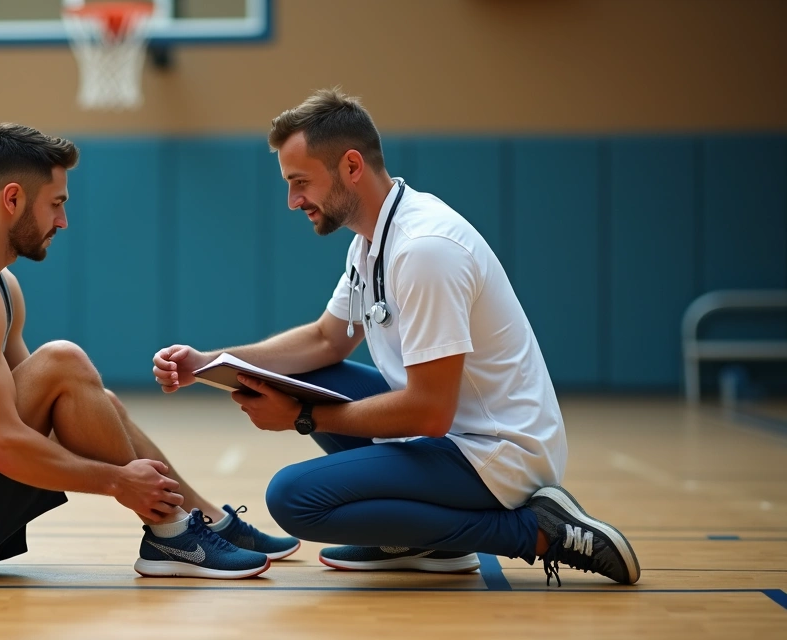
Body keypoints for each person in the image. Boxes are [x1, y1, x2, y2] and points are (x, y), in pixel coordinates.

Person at [152, 89, 640, 586]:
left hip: (495, 455)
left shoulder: (425, 250)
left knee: (293, 498)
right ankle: (421, 540)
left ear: (351, 166)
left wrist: (301, 416)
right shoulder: (372, 240)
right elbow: (326, 341)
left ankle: (536, 531)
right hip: (448, 437)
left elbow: (431, 412)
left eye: (301, 183)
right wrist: (210, 361)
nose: (293, 201)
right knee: (307, 373)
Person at [0, 123, 297, 580]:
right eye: (56, 204)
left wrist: (104, 428)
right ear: (12, 199)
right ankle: (172, 533)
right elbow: (0, 447)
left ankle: (201, 523)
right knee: (63, 360)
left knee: (99, 401)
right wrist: (118, 482)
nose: (63, 221)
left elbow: (50, 415)